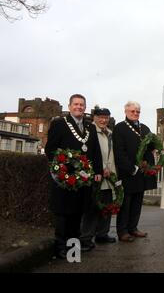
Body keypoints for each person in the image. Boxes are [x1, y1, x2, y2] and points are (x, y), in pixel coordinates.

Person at [45, 94, 102, 258]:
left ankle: (73, 249)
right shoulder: (59, 124)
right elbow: (51, 150)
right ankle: (61, 247)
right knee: (64, 214)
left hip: (83, 178)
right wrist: (60, 170)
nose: (79, 107)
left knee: (78, 213)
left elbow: (95, 151)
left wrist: (97, 171)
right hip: (65, 178)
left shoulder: (90, 127)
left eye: (82, 105)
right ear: (69, 106)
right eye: (76, 104)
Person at [113, 101, 157, 242]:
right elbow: (119, 152)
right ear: (126, 111)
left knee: (137, 202)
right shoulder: (119, 128)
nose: (135, 113)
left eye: (137, 111)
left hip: (142, 172)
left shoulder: (144, 128)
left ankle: (133, 228)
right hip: (128, 172)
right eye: (132, 111)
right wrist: (131, 168)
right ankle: (122, 231)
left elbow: (152, 147)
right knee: (126, 203)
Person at [80, 107, 117, 247]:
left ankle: (102, 234)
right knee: (92, 207)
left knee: (106, 206)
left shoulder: (110, 133)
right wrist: (101, 168)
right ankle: (86, 237)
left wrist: (112, 172)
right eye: (100, 117)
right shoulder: (89, 132)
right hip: (95, 174)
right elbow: (90, 153)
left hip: (109, 176)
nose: (103, 120)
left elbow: (112, 155)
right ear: (94, 118)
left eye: (106, 117)